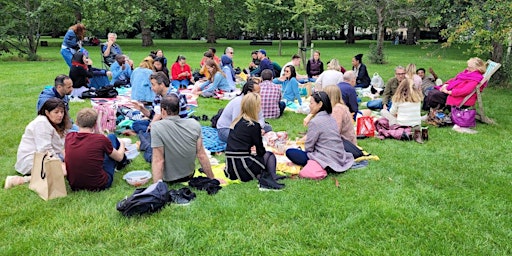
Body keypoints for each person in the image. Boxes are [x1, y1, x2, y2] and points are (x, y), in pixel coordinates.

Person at [5, 99, 71, 189]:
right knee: (64, 170)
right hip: (32, 159)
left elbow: (61, 146)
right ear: (47, 113)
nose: (60, 115)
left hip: (46, 156)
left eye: (62, 112)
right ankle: (21, 180)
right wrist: (60, 164)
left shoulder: (55, 123)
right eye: (56, 112)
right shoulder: (41, 123)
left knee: (71, 165)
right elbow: (45, 149)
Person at [224, 92, 285, 190]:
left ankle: (265, 173)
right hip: (243, 166)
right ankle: (272, 176)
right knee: (269, 155)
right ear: (255, 107)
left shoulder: (236, 122)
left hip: (230, 166)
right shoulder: (253, 125)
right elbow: (260, 150)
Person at [151, 94, 217, 183]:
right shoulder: (194, 124)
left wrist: (156, 188)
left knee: (149, 151)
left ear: (162, 111)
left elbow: (158, 160)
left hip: (168, 179)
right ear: (179, 109)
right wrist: (212, 178)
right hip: (189, 175)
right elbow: (202, 155)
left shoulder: (156, 127)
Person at [285, 91, 354, 174]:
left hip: (325, 157)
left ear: (320, 104)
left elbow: (309, 147)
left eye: (311, 103)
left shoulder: (315, 122)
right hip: (339, 156)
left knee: (290, 152)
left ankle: (322, 166)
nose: (309, 106)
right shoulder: (331, 118)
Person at [65, 108, 129, 191]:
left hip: (75, 185)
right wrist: (122, 144)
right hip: (100, 184)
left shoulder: (69, 137)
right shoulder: (100, 139)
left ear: (76, 122)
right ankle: (124, 163)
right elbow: (119, 157)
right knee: (111, 137)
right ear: (95, 124)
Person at [132, 72, 188, 162]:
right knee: (136, 124)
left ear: (161, 84)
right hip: (162, 123)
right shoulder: (158, 96)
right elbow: (153, 115)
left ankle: (147, 139)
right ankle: (146, 136)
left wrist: (152, 125)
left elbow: (163, 116)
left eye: (153, 85)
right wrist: (141, 109)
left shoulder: (173, 96)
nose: (152, 88)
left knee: (150, 133)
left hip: (176, 125)